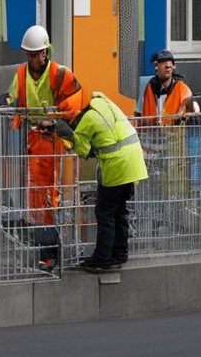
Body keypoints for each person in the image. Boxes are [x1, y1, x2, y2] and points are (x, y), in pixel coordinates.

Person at [52, 92, 148, 272]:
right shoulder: (103, 102)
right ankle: (119, 253)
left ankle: (102, 258)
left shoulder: (88, 118)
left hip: (117, 166)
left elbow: (83, 149)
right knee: (119, 210)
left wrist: (67, 133)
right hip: (134, 163)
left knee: (105, 212)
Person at [6, 25, 87, 234]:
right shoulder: (21, 73)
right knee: (36, 188)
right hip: (34, 138)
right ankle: (40, 231)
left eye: (35, 55)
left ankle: (57, 234)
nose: (32, 60)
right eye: (28, 55)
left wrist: (56, 121)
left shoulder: (60, 73)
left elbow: (76, 103)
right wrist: (2, 104)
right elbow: (13, 97)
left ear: (45, 52)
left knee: (56, 189)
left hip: (57, 140)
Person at [136, 48, 199, 200]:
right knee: (150, 184)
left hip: (172, 144)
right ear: (156, 66)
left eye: (171, 63)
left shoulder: (181, 88)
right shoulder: (148, 87)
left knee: (173, 183)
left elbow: (195, 108)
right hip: (151, 143)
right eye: (164, 63)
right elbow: (138, 114)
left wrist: (186, 105)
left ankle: (171, 212)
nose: (168, 66)